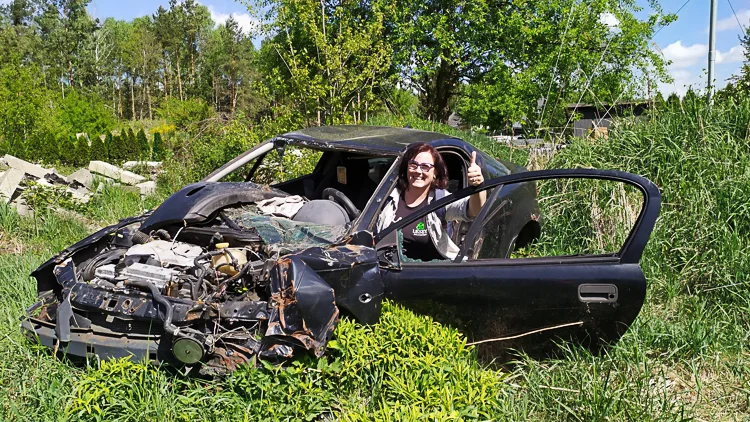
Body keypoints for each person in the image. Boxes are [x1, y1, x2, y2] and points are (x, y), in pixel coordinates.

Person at [375, 142, 486, 261]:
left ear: (435, 173)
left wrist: (478, 186)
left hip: (429, 273)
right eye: (413, 164)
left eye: (425, 166)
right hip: (389, 271)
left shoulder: (440, 200)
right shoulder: (387, 198)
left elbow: (474, 210)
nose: (418, 171)